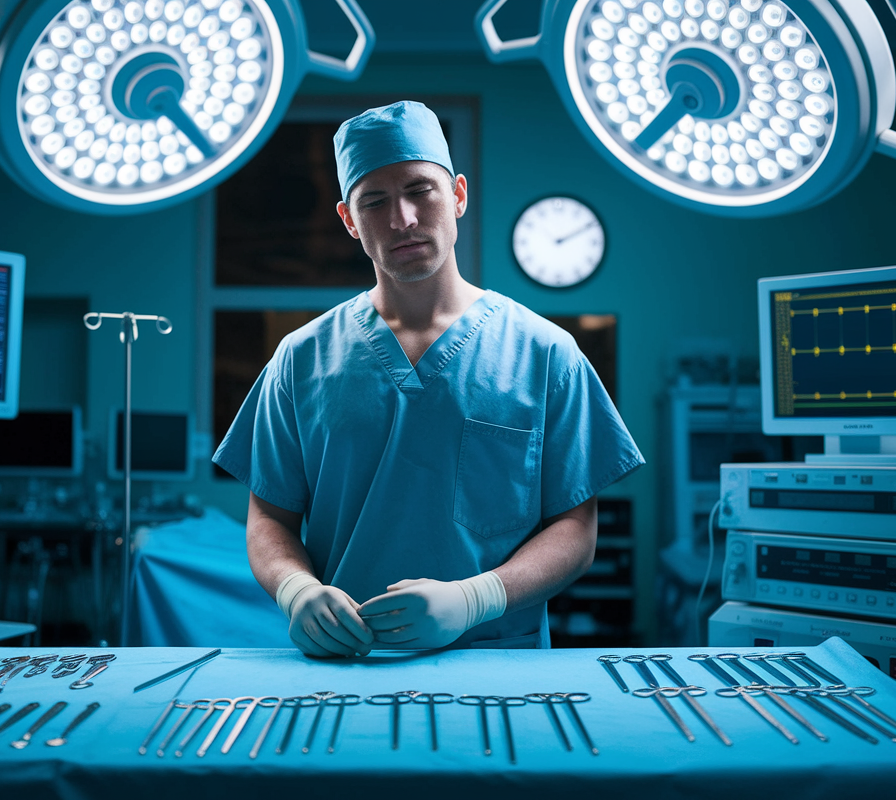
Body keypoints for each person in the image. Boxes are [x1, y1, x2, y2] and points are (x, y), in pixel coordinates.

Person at [213, 100, 643, 657]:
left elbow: (576, 529)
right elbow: (269, 515)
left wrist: (479, 597)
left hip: (497, 666)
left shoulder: (545, 354)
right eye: (375, 201)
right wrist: (295, 589)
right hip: (345, 665)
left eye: (421, 190)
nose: (403, 220)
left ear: (458, 196)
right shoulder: (300, 360)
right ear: (349, 220)